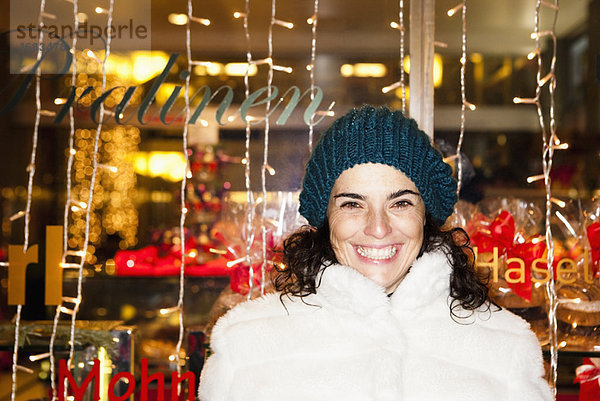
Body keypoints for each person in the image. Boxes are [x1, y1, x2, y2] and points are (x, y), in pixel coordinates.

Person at [198, 105, 553, 401]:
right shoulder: (246, 345)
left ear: (425, 216)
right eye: (353, 204)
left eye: (400, 203)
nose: (378, 227)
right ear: (326, 219)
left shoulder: (506, 349)